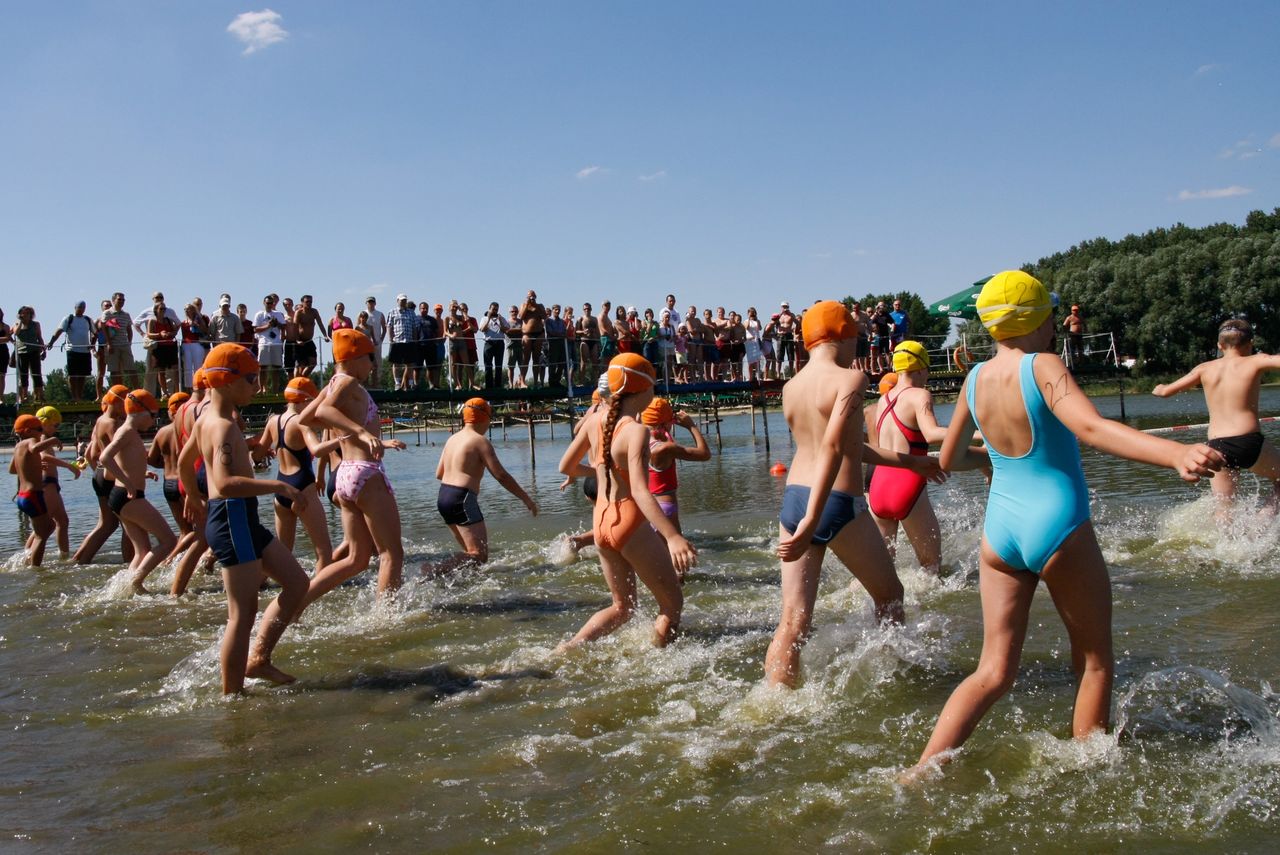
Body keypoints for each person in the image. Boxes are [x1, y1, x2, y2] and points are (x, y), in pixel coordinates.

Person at [909, 271, 1223, 775]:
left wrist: (988, 456)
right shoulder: (1043, 365)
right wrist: (1175, 453)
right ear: (1041, 319)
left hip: (1001, 532)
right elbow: (1093, 428)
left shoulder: (975, 378)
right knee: (1095, 661)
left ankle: (921, 770)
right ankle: (1089, 771)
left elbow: (947, 460)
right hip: (1058, 524)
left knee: (992, 672)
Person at [766, 302, 944, 688]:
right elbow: (833, 448)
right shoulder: (850, 379)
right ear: (844, 335)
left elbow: (844, 445)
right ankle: (892, 676)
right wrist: (816, 517)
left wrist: (911, 463)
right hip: (833, 502)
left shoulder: (790, 387)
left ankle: (774, 700)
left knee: (794, 620)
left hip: (794, 499)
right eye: (856, 337)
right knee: (890, 595)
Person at [179, 343, 310, 693]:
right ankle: (232, 696)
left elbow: (183, 462)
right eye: (251, 379)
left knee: (298, 583)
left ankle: (259, 659)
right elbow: (225, 483)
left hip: (241, 519)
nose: (257, 386)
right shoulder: (220, 426)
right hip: (231, 519)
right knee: (241, 615)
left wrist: (194, 496)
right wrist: (280, 486)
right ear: (225, 381)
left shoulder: (209, 420)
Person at [556, 354, 695, 649]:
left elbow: (566, 467)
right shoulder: (636, 430)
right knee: (672, 605)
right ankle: (659, 665)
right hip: (629, 521)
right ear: (643, 390)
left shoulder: (594, 420)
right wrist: (672, 537)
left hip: (601, 522)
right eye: (653, 387)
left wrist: (601, 470)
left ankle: (567, 649)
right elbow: (642, 492)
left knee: (622, 608)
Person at [298, 329, 407, 603]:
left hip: (346, 474)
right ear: (356, 356)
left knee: (357, 559)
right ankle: (387, 620)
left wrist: (370, 437)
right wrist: (361, 433)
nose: (372, 365)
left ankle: (298, 601)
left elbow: (305, 417)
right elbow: (321, 414)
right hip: (365, 472)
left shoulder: (334, 383)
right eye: (371, 358)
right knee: (391, 554)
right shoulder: (347, 383)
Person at [868, 341, 986, 575]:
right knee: (931, 571)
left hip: (878, 488)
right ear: (921, 369)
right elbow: (931, 433)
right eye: (928, 372)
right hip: (907, 486)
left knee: (881, 572)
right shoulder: (920, 395)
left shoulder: (883, 400)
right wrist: (979, 433)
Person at [1152, 318, 1280, 510]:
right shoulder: (1256, 361)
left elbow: (1164, 392)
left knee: (1224, 509)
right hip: (1248, 442)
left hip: (1216, 446)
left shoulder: (1204, 369)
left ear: (1220, 345)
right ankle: (1263, 525)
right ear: (1250, 344)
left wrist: (1160, 387)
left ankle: (1226, 539)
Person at [422, 398, 538, 575]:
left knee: (470, 556)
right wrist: (526, 498)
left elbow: (439, 474)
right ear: (485, 418)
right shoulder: (480, 441)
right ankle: (432, 570)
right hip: (461, 499)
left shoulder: (452, 439)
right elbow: (501, 476)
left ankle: (451, 580)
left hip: (444, 496)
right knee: (479, 555)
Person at [99, 390, 178, 593]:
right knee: (169, 540)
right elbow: (105, 458)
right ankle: (136, 582)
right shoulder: (126, 432)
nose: (153, 422)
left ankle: (125, 589)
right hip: (129, 497)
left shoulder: (128, 432)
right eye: (153, 416)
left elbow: (124, 462)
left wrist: (142, 474)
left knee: (142, 551)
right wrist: (128, 483)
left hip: (121, 496)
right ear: (142, 413)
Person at [258, 377, 339, 571]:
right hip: (302, 489)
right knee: (323, 552)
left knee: (284, 553)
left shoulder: (272, 421)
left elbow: (257, 453)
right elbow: (317, 450)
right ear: (305, 401)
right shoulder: (301, 423)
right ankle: (317, 595)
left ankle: (258, 583)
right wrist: (343, 439)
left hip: (281, 490)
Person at [640, 397, 710, 549]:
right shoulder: (664, 449)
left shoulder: (638, 442)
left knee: (658, 561)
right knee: (678, 567)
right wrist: (691, 426)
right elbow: (704, 454)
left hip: (646, 508)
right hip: (665, 509)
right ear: (664, 424)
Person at [147, 393, 195, 562]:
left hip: (168, 484)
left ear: (170, 411)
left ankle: (177, 563)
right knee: (199, 530)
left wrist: (166, 464)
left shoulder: (162, 432)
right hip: (185, 483)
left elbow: (151, 459)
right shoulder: (188, 429)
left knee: (184, 531)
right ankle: (171, 561)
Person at [29, 406, 80, 559]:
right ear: (44, 423)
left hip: (52, 484)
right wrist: (68, 465)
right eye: (55, 425)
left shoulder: (44, 438)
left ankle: (64, 556)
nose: (56, 429)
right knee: (43, 526)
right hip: (47, 484)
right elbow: (44, 457)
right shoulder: (43, 438)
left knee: (63, 521)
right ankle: (27, 556)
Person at [10, 414, 61, 566]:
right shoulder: (31, 441)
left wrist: (36, 466)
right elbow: (34, 448)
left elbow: (13, 469)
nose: (41, 433)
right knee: (42, 533)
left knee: (48, 527)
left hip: (22, 496)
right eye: (39, 429)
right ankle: (35, 568)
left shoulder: (18, 446)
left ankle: (27, 560)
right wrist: (53, 440)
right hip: (33, 495)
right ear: (27, 431)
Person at [48, 301, 95, 401]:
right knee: (73, 374)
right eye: (79, 307)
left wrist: (92, 344)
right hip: (72, 350)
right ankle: (74, 396)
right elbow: (59, 331)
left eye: (83, 307)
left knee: (83, 375)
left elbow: (95, 332)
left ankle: (80, 396)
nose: (81, 309)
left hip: (85, 351)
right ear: (75, 307)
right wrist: (51, 342)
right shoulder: (68, 319)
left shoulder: (87, 319)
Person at [99, 292, 137, 388]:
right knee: (114, 370)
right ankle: (118, 391)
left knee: (131, 368)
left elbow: (129, 329)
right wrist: (109, 343)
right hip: (113, 345)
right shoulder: (107, 313)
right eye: (119, 299)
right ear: (113, 300)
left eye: (123, 300)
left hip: (124, 344)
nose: (121, 301)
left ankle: (137, 390)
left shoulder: (126, 314)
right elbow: (103, 328)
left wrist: (129, 342)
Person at [253, 294, 287, 395]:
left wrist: (277, 324)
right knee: (263, 367)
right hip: (264, 343)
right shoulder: (259, 314)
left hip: (276, 343)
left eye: (271, 303)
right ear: (264, 303)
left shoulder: (278, 314)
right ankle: (263, 388)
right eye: (268, 303)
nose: (269, 305)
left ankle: (275, 390)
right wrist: (268, 325)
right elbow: (255, 329)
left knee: (276, 368)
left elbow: (283, 327)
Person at [13, 306, 46, 404]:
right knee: (23, 375)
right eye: (23, 313)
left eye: (27, 313)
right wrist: (20, 323)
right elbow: (16, 333)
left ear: (31, 314)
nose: (25, 315)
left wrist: (44, 349)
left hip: (34, 351)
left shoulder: (36, 324)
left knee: (37, 374)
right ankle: (24, 396)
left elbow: (40, 337)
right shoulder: (17, 324)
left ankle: (40, 395)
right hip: (22, 352)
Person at [388, 293, 420, 391]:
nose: (403, 302)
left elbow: (415, 326)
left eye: (405, 300)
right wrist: (391, 339)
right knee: (396, 363)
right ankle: (397, 383)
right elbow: (389, 326)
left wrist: (414, 340)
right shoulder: (392, 312)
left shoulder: (411, 312)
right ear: (397, 301)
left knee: (409, 363)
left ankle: (410, 384)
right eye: (401, 300)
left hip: (409, 341)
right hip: (397, 341)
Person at [293, 295, 329, 379]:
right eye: (307, 302)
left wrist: (325, 336)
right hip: (300, 341)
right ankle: (296, 384)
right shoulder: (299, 313)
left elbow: (320, 323)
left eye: (310, 302)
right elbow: (295, 327)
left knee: (313, 363)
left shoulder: (314, 312)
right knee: (300, 365)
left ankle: (302, 379)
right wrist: (297, 340)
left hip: (309, 341)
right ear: (302, 302)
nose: (309, 303)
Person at [178, 303, 209, 391]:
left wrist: (197, 325)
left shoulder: (199, 320)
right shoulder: (183, 323)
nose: (187, 311)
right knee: (187, 367)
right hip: (186, 345)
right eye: (185, 309)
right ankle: (189, 388)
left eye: (189, 309)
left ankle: (199, 385)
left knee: (198, 366)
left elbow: (205, 331)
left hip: (197, 344)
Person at [520, 291, 547, 387]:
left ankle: (536, 382)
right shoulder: (524, 305)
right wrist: (527, 304)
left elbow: (544, 316)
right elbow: (521, 316)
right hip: (527, 334)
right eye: (529, 296)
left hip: (538, 334)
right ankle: (522, 381)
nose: (531, 298)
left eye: (533, 296)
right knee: (525, 358)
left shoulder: (540, 306)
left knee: (536, 359)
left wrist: (536, 305)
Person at [481, 302, 509, 389]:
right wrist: (488, 319)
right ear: (489, 309)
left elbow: (506, 330)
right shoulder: (484, 318)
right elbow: (482, 329)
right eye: (493, 309)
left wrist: (500, 321)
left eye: (496, 309)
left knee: (499, 365)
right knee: (488, 365)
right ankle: (489, 386)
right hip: (489, 343)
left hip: (499, 343)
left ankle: (498, 386)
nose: (495, 311)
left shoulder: (501, 319)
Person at [364, 296, 388, 389]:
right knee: (366, 363)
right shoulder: (363, 314)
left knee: (377, 363)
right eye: (369, 302)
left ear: (375, 303)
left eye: (372, 302)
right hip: (365, 344)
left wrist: (381, 339)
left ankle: (377, 383)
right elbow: (358, 327)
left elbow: (384, 328)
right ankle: (366, 384)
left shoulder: (380, 314)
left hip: (377, 343)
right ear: (366, 303)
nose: (370, 303)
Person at [775, 302, 796, 377]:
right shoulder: (778, 316)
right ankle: (778, 374)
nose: (785, 308)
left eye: (786, 306)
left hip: (789, 335)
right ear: (781, 307)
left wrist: (791, 315)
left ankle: (791, 373)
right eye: (783, 306)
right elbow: (774, 323)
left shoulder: (791, 315)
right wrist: (780, 314)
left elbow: (797, 323)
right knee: (779, 355)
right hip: (780, 335)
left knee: (790, 354)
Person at [1062, 304, 1086, 368]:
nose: (1076, 311)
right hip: (1072, 335)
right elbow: (1064, 326)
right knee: (1072, 349)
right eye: (1074, 310)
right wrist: (1067, 332)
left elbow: (1084, 324)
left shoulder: (1080, 317)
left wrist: (1086, 330)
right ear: (1071, 311)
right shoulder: (1069, 317)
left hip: (1080, 335)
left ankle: (1082, 363)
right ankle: (1074, 363)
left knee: (1081, 349)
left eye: (1076, 310)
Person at [0, 307, 11, 399]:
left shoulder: (5, 326)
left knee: (2, 376)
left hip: (3, 352)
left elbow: (7, 338)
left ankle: (0, 397)